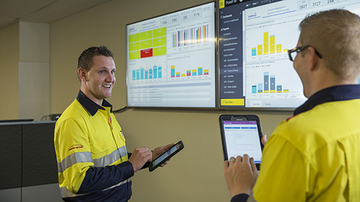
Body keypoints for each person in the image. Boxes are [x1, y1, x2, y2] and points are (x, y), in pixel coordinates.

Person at [223, 9, 360, 202]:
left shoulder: (296, 137)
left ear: (311, 57)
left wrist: (240, 190)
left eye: (296, 52)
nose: (294, 61)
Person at [54, 46, 173, 202]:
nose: (111, 78)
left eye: (113, 72)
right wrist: (130, 166)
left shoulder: (104, 113)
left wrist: (148, 157)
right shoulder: (73, 121)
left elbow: (111, 161)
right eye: (102, 71)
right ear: (83, 74)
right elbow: (79, 181)